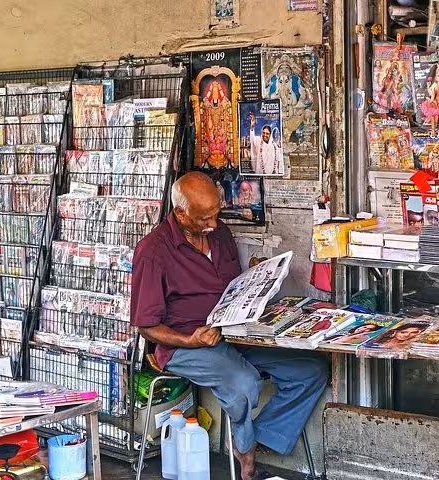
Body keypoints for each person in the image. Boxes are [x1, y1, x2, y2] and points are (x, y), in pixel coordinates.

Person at [130, 172, 328, 480]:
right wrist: (191, 340)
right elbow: (147, 326)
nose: (213, 223)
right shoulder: (154, 252)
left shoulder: (219, 233)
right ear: (181, 214)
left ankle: (258, 438)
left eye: (216, 214)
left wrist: (256, 275)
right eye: (204, 218)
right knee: (244, 384)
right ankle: (246, 456)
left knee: (311, 371)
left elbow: (229, 286)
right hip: (185, 344)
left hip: (233, 333)